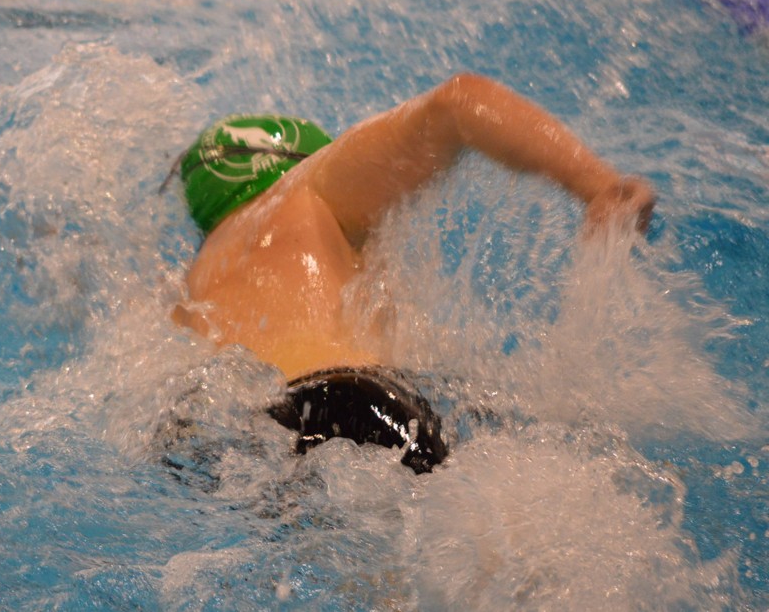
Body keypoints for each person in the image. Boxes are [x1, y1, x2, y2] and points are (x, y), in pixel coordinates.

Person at [171, 73, 656, 473]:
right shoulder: (310, 185)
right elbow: (459, 101)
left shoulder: (195, 280)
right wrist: (599, 186)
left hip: (238, 445)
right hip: (350, 404)